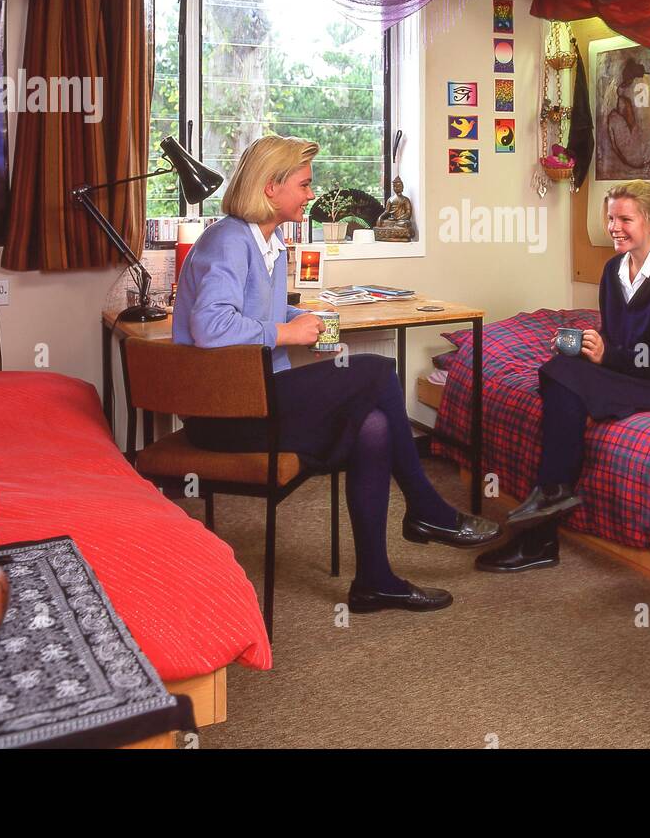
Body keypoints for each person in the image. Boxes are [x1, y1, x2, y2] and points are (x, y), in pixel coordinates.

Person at [173, 134, 501, 614]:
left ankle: (375, 582)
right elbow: (211, 326)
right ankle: (426, 509)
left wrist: (304, 317)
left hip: (259, 396)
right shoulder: (228, 240)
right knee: (375, 372)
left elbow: (254, 311)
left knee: (375, 427)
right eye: (304, 185)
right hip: (225, 414)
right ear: (270, 188)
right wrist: (288, 332)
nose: (311, 194)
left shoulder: (271, 243)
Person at [475, 181, 650, 572]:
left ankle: (543, 526)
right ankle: (550, 503)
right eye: (610, 218)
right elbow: (617, 335)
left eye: (625, 219)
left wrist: (609, 356)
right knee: (559, 369)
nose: (614, 227)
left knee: (563, 378)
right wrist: (591, 344)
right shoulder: (612, 270)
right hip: (632, 369)